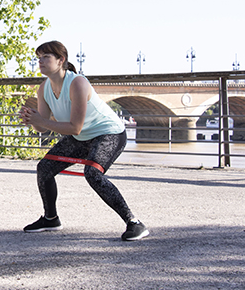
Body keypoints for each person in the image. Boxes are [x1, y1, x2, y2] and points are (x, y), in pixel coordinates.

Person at [19, 40, 149, 241]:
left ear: (61, 60)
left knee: (93, 173)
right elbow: (43, 127)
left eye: (46, 57)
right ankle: (50, 218)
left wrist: (40, 120)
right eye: (38, 57)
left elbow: (74, 127)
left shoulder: (77, 83)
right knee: (44, 168)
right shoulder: (44, 88)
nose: (40, 61)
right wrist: (32, 120)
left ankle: (134, 223)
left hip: (109, 133)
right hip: (82, 137)